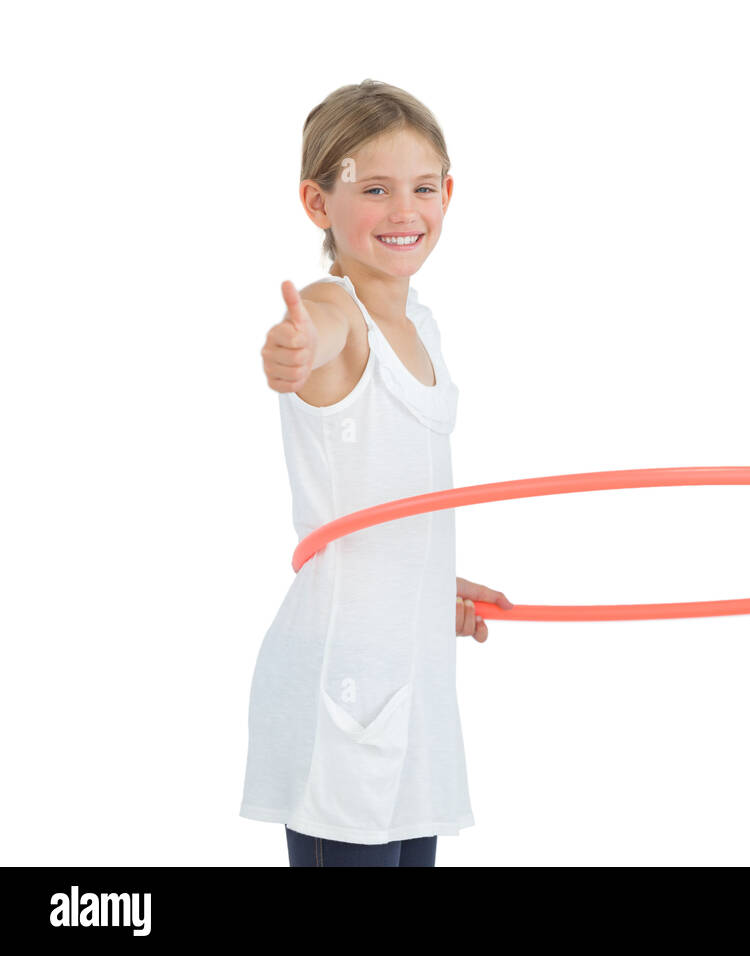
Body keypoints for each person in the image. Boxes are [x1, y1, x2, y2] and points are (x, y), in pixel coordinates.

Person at [240, 80, 512, 867]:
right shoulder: (336, 313)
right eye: (375, 189)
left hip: (411, 684)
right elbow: (314, 337)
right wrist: (292, 350)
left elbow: (389, 493)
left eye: (423, 188)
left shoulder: (418, 320)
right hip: (344, 689)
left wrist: (432, 580)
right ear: (317, 202)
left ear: (449, 194)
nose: (405, 211)